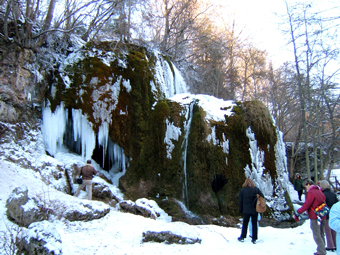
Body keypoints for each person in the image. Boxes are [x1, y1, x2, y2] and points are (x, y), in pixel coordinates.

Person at [295, 179, 327, 255]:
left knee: (316, 234)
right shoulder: (320, 191)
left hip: (315, 216)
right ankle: (322, 249)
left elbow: (307, 204)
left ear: (308, 185)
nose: (305, 188)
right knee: (321, 232)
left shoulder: (311, 193)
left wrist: (298, 212)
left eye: (305, 186)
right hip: (322, 215)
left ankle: (322, 251)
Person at [238, 178, 264, 244]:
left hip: (246, 210)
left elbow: (240, 201)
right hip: (255, 209)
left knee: (245, 223)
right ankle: (254, 238)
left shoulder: (242, 190)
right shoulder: (256, 189)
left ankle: (243, 237)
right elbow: (262, 196)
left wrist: (240, 209)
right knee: (254, 224)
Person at [320, 180, 338, 252]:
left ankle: (330, 246)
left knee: (327, 230)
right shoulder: (333, 194)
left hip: (326, 214)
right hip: (334, 213)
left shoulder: (322, 194)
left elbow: (323, 205)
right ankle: (336, 244)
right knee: (333, 229)